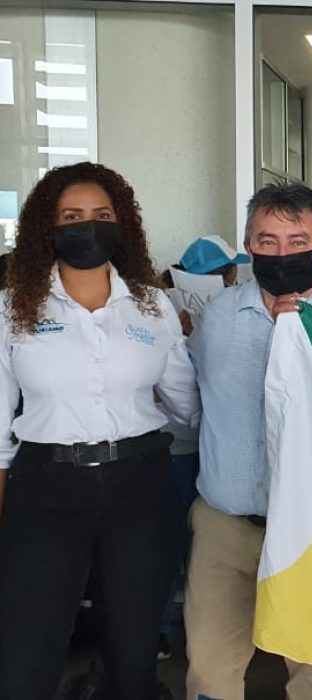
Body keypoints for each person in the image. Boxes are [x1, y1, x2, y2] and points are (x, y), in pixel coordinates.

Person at [0, 162, 199, 699]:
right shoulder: (13, 307)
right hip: (44, 486)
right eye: (72, 216)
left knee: (133, 647)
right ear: (49, 226)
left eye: (101, 215)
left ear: (122, 224)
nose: (87, 225)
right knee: (28, 646)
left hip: (139, 483)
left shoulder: (152, 304)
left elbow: (185, 404)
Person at [185, 183, 312, 700]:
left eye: (297, 241)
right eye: (266, 241)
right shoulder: (218, 318)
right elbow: (191, 400)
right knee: (210, 669)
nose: (280, 253)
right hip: (227, 526)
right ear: (249, 245)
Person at [157, 234, 249, 659]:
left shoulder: (164, 305)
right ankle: (185, 633)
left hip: (181, 450)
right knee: (192, 551)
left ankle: (167, 633)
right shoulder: (171, 313)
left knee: (172, 550)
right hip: (193, 450)